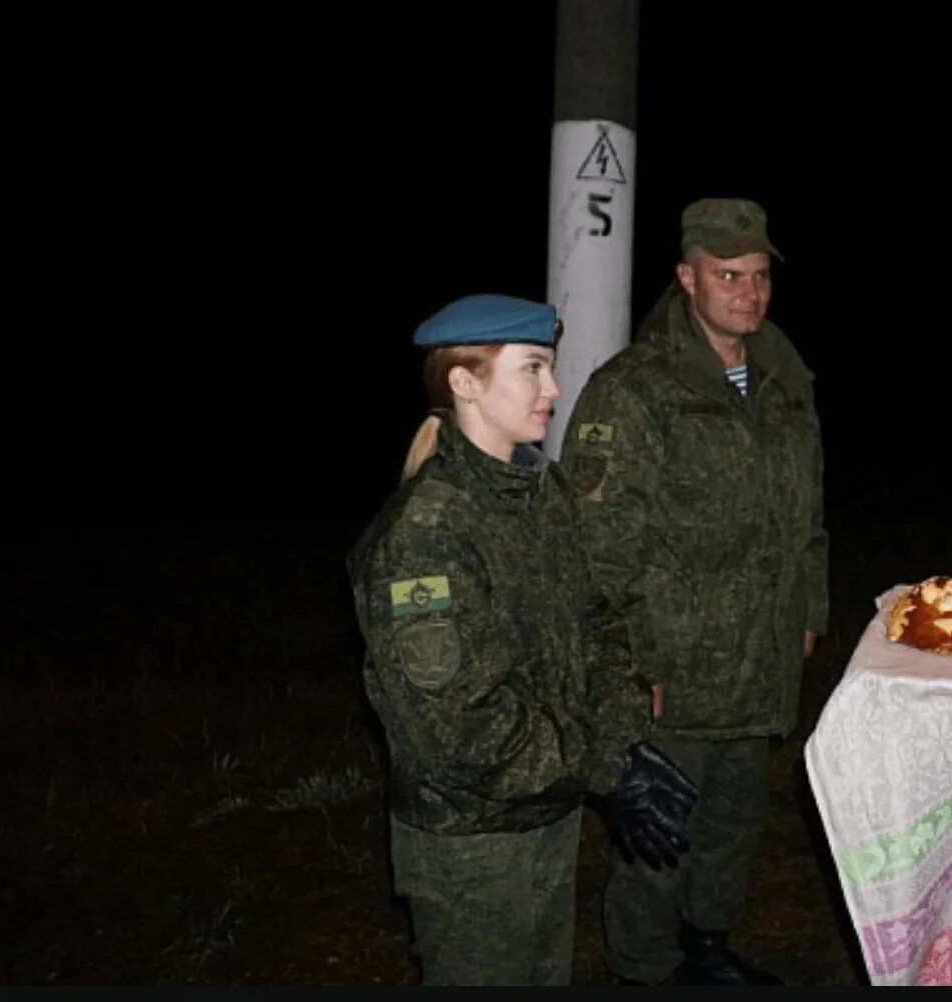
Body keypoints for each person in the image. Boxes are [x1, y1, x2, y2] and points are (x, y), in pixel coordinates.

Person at [347, 294, 700, 985]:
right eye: (533, 368)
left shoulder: (539, 488)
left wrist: (620, 739)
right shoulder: (426, 534)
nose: (555, 389)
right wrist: (605, 768)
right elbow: (462, 724)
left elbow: (593, 623)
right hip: (472, 840)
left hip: (546, 808)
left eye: (551, 368)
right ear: (464, 381)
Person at [558, 198, 829, 986]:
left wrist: (807, 612)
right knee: (660, 833)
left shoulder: (783, 379)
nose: (747, 291)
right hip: (671, 664)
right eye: (726, 275)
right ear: (686, 278)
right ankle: (643, 968)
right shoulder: (636, 390)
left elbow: (806, 514)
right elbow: (600, 546)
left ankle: (707, 948)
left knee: (735, 824)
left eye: (758, 276)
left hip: (760, 654)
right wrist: (629, 662)